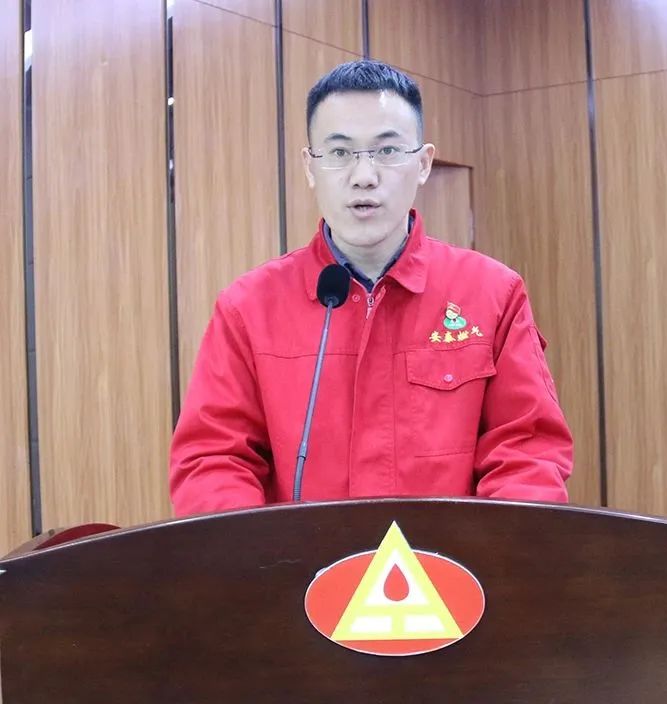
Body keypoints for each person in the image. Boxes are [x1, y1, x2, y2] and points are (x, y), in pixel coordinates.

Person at [169, 60, 573, 516]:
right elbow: (213, 461)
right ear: (310, 167)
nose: (364, 175)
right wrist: (262, 556)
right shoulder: (249, 307)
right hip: (299, 561)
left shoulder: (492, 293)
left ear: (423, 163)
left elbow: (527, 453)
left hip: (449, 560)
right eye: (340, 152)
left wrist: (489, 552)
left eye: (387, 150)